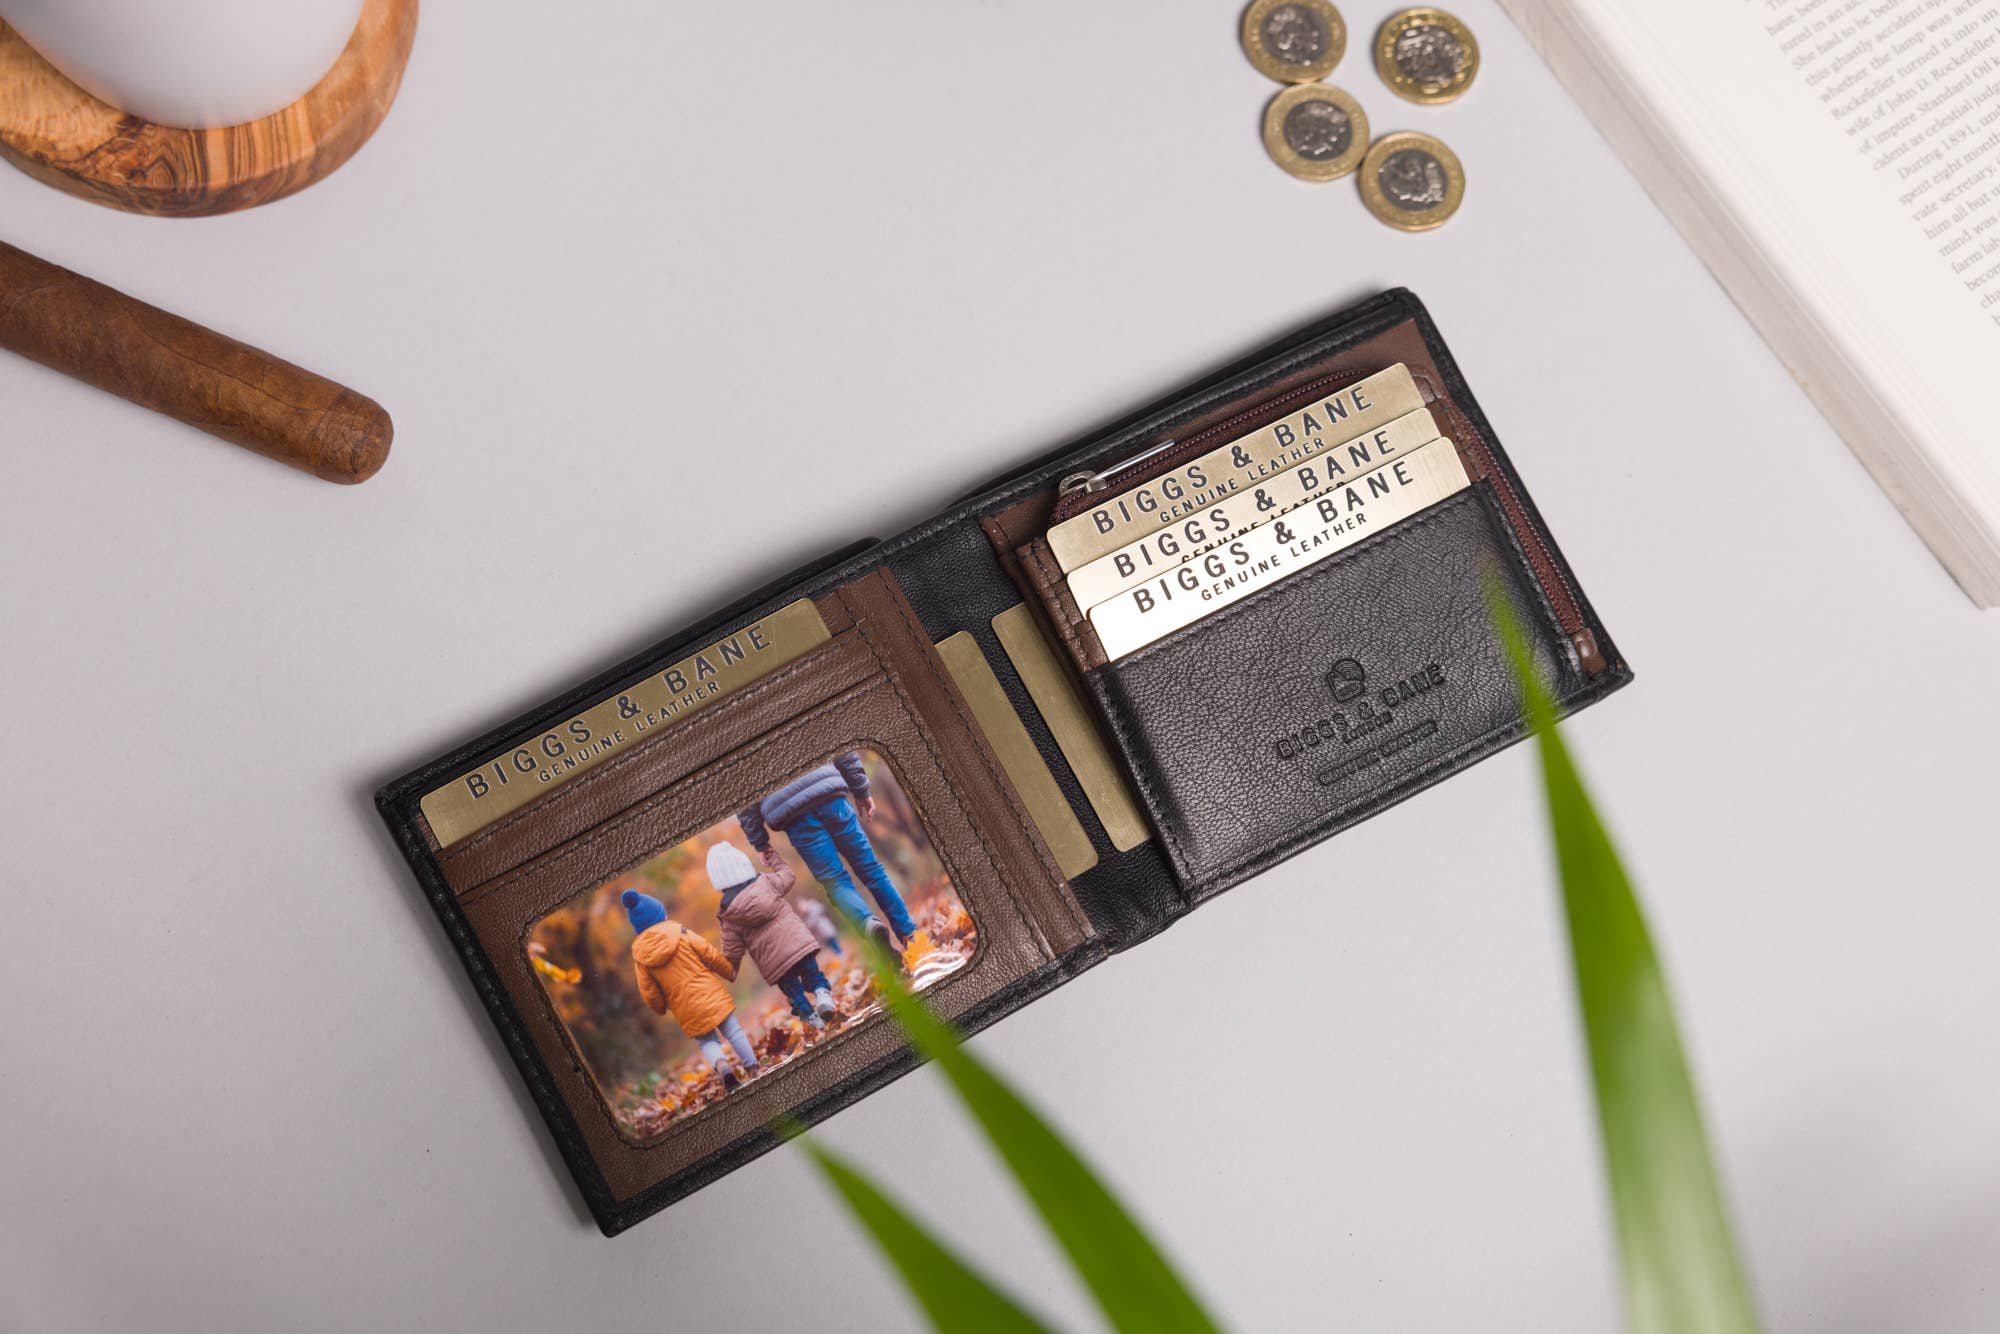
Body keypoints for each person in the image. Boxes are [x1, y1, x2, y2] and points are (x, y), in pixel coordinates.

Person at [738, 752, 931, 961]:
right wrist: (860, 789)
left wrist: (759, 841)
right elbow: (841, 747)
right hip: (829, 793)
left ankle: (867, 923)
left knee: (836, 882)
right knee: (872, 870)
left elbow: (745, 794)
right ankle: (911, 937)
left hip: (794, 817)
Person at [620, 888, 759, 1091]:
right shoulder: (682, 933)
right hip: (710, 993)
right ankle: (752, 1067)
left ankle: (721, 1064)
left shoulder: (641, 960)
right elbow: (709, 954)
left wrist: (660, 1007)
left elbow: (649, 992)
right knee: (732, 1030)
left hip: (685, 1007)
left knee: (707, 1041)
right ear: (661, 915)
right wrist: (729, 971)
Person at [708, 843, 839, 1031]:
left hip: (774, 963)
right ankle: (821, 993)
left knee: (794, 993)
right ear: (744, 865)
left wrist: (730, 971)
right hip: (797, 944)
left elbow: (732, 952)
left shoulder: (728, 915)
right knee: (813, 974)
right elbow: (788, 875)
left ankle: (812, 1020)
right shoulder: (768, 883)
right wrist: (772, 857)